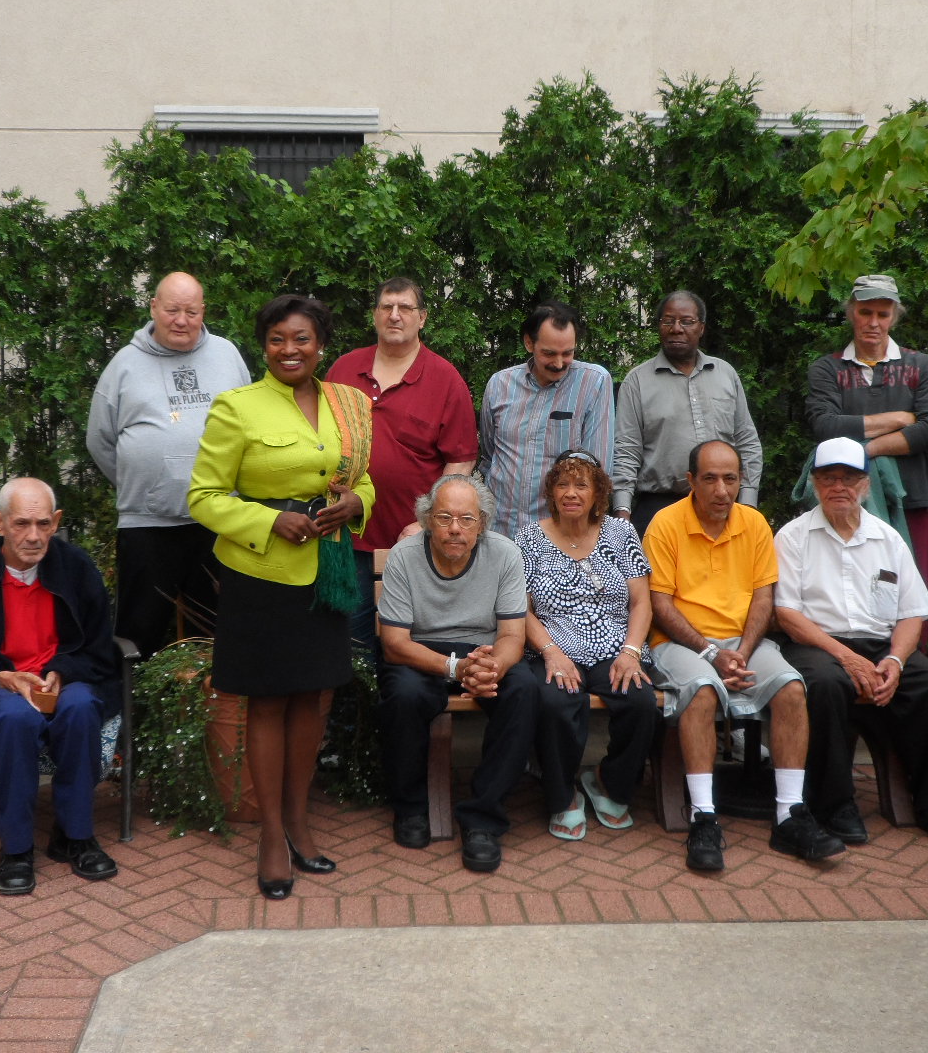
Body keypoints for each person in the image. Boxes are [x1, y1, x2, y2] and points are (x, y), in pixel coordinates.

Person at [188, 294, 375, 900]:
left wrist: (357, 504)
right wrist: (270, 522)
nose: (289, 350)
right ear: (262, 346)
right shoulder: (236, 408)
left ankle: (298, 821)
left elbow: (361, 476)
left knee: (311, 700)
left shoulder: (345, 404)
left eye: (301, 339)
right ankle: (271, 834)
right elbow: (204, 497)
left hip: (326, 570)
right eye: (276, 339)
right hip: (261, 576)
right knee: (267, 705)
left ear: (321, 344)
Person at [643, 440, 843, 872]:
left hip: (743, 643)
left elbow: (763, 596)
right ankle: (703, 815)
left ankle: (789, 813)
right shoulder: (665, 523)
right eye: (710, 478)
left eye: (730, 478)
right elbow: (660, 604)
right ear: (690, 481)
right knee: (700, 693)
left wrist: (744, 652)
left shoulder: (753, 523)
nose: (721, 490)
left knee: (791, 688)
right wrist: (713, 653)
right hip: (681, 644)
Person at [0, 478, 122, 895]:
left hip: (61, 680)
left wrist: (63, 670)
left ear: (56, 522)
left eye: (43, 524)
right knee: (15, 718)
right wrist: (0, 676)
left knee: (81, 706)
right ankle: (16, 849)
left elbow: (100, 647)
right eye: (21, 524)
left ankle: (75, 835)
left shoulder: (76, 568)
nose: (33, 536)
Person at [774, 437, 928, 850]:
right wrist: (846, 657)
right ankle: (834, 806)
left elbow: (911, 612)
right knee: (826, 685)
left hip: (882, 644)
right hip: (818, 644)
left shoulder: (887, 538)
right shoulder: (793, 537)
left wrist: (897, 661)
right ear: (814, 483)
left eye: (849, 478)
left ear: (865, 485)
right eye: (829, 478)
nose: (838, 487)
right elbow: (787, 616)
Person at [377, 475, 535, 872]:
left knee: (524, 691)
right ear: (428, 518)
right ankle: (411, 807)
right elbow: (395, 642)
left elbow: (513, 634)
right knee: (406, 695)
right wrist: (455, 668)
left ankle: (483, 818)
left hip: (483, 650)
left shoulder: (505, 554)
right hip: (421, 651)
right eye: (444, 517)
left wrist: (492, 667)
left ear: (482, 522)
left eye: (466, 519)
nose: (454, 529)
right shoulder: (404, 556)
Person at [86, 271, 250, 655]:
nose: (181, 320)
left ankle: (216, 712)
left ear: (204, 311)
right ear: (153, 307)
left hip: (218, 520)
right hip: (148, 524)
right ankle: (128, 710)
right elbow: (100, 441)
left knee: (214, 631)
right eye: (173, 309)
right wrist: (147, 482)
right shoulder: (123, 365)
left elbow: (250, 424)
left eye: (191, 311)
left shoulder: (227, 354)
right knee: (138, 631)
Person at [326, 276, 478, 653]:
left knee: (408, 650)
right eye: (386, 307)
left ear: (422, 318)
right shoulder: (343, 371)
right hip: (345, 536)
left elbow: (461, 460)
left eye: (405, 308)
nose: (395, 316)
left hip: (411, 543)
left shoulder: (444, 379)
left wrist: (426, 521)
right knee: (349, 646)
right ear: (375, 315)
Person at [517, 451, 659, 839]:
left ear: (599, 493)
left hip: (615, 646)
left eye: (582, 484)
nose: (571, 493)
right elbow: (519, 609)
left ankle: (607, 780)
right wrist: (550, 651)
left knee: (640, 701)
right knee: (557, 701)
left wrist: (631, 652)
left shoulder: (620, 533)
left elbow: (641, 602)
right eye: (563, 484)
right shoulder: (529, 537)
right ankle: (562, 795)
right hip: (553, 646)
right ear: (551, 491)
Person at [804, 273, 928, 582]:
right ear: (851, 312)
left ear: (894, 317)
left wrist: (865, 450)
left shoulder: (923, 366)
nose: (873, 322)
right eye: (865, 312)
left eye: (883, 314)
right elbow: (825, 426)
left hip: (909, 498)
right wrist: (901, 419)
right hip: (843, 500)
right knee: (847, 587)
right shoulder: (827, 368)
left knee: (909, 588)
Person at [612, 290, 763, 532]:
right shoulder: (637, 381)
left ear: (701, 328)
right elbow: (626, 451)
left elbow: (746, 440)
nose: (676, 328)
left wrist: (748, 502)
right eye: (668, 321)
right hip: (659, 507)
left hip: (723, 505)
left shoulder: (725, 374)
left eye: (687, 321)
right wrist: (622, 513)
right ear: (659, 326)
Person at [478, 301, 613, 538]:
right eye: (549, 353)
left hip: (558, 535)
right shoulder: (500, 384)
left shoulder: (594, 382)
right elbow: (490, 454)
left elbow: (596, 472)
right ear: (529, 343)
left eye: (567, 353)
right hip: (500, 531)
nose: (559, 363)